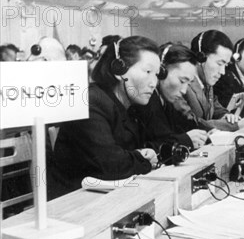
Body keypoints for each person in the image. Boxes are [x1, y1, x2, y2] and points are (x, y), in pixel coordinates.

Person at [48, 36, 167, 200]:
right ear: (120, 71)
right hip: (71, 204)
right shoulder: (90, 102)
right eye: (147, 72)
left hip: (106, 198)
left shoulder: (131, 105)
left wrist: (142, 154)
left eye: (157, 74)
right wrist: (143, 158)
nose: (153, 83)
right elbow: (113, 165)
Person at [133, 44, 209, 150]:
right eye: (182, 81)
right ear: (161, 71)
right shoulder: (145, 100)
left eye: (188, 83)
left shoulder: (166, 100)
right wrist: (185, 140)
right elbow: (150, 145)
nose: (184, 90)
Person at [180, 30, 240, 132]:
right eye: (220, 63)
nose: (223, 72)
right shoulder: (182, 85)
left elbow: (214, 107)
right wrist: (226, 124)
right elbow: (191, 124)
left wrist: (226, 115)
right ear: (201, 58)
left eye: (225, 65)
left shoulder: (206, 82)